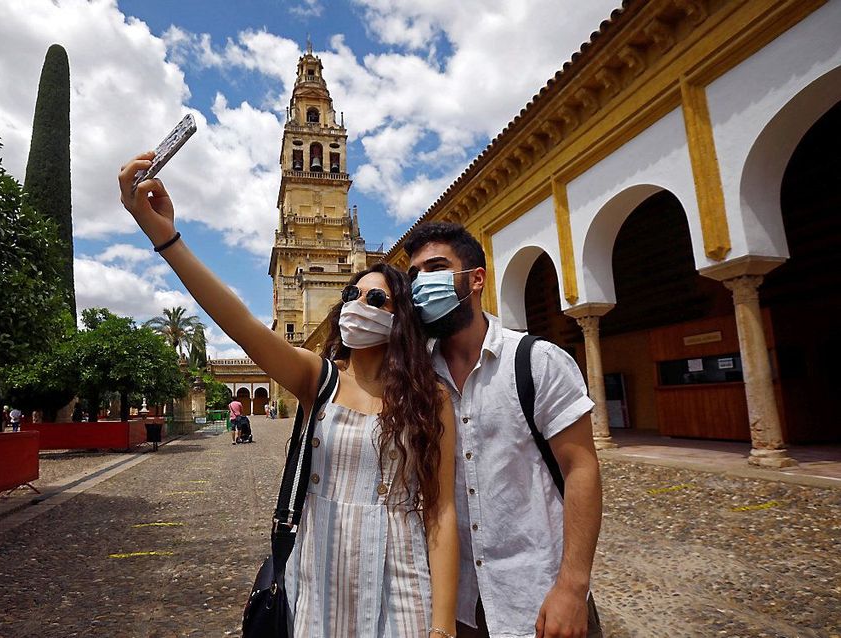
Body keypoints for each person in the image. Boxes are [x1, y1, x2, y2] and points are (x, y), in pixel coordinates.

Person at [119, 154, 459, 638]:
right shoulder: (317, 379)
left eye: (375, 299)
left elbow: (440, 512)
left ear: (401, 314)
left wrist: (443, 628)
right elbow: (238, 322)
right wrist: (164, 236)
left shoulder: (431, 399)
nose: (357, 306)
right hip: (316, 582)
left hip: (402, 585)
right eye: (350, 296)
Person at [404, 222, 603, 638]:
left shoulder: (538, 362)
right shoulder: (416, 378)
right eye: (415, 274)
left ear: (476, 279)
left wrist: (571, 586)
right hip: (456, 606)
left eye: (436, 267)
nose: (423, 283)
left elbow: (580, 469)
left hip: (537, 598)